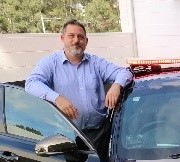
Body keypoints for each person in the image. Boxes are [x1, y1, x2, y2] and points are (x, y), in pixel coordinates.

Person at [25, 19, 132, 150]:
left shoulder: (96, 63)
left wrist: (116, 85)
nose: (76, 40)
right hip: (67, 138)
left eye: (81, 37)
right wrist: (57, 98)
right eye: (71, 36)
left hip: (100, 135)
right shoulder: (50, 63)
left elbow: (125, 73)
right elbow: (31, 83)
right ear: (62, 38)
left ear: (86, 42)